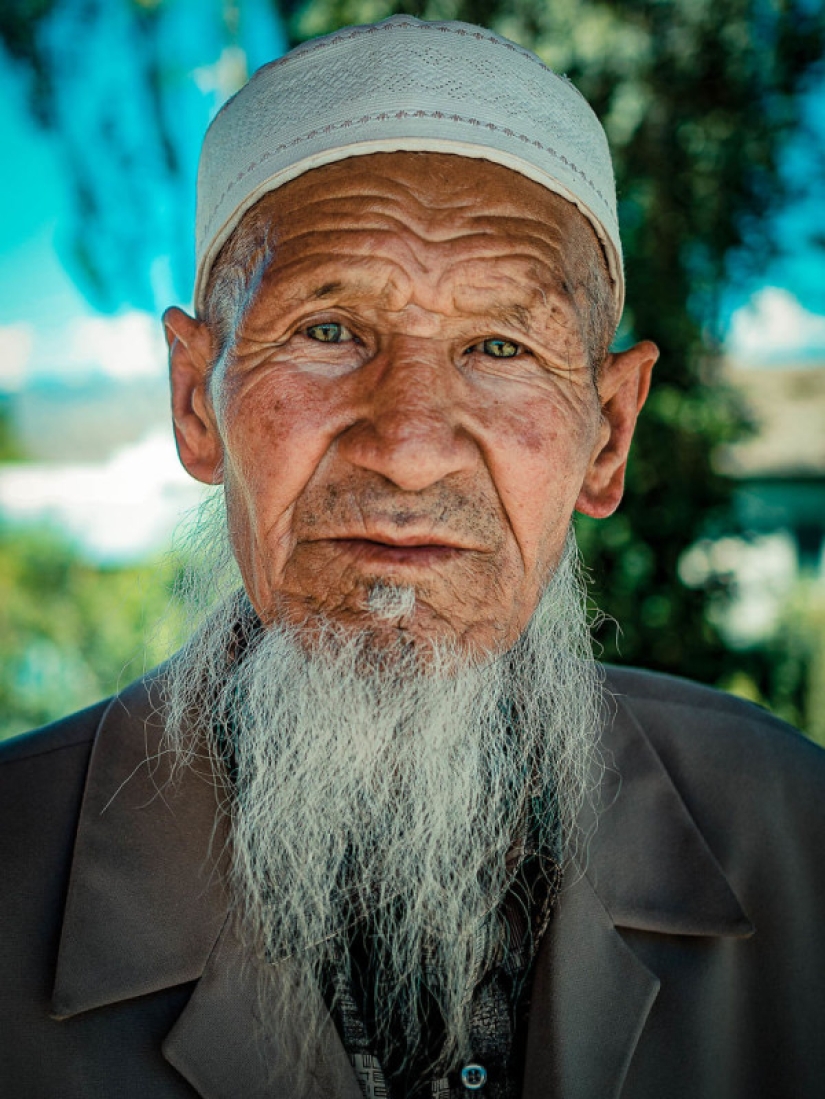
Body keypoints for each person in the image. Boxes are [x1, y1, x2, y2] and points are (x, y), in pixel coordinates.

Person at [1, 15, 824, 1099]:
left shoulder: (796, 832)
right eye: (328, 331)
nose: (408, 448)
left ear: (608, 434)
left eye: (499, 347)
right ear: (195, 404)